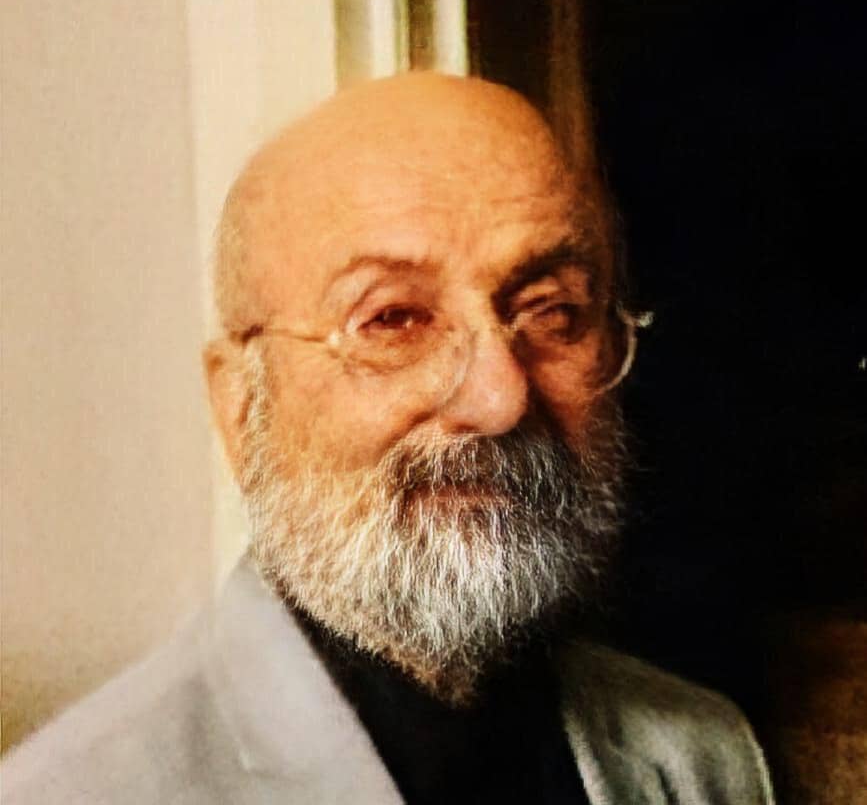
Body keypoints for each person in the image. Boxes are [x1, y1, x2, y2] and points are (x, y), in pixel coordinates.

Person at [3, 73, 775, 804]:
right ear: (241, 408)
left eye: (551, 311)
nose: (499, 398)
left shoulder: (700, 754)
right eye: (394, 320)